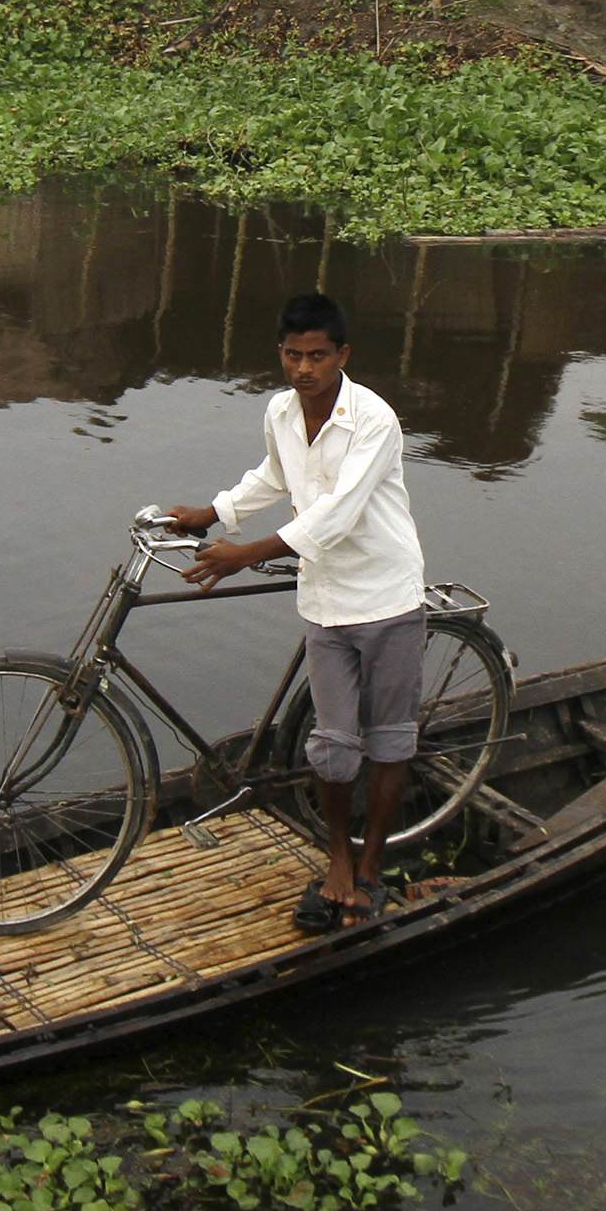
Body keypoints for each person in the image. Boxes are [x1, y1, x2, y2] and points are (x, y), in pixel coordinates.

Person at [167, 291, 427, 931]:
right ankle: (337, 860)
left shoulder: (374, 420)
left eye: (317, 356)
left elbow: (337, 515)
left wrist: (244, 554)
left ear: (343, 355)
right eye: (293, 355)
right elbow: (276, 475)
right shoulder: (282, 412)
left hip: (388, 595)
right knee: (334, 748)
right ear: (280, 355)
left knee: (389, 743)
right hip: (326, 601)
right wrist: (214, 512)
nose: (304, 368)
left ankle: (369, 871)